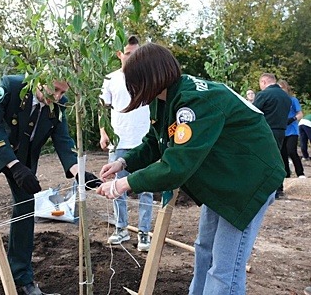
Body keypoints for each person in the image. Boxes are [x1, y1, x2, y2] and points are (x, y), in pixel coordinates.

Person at [96, 43, 285, 295]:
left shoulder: (195, 102)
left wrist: (122, 185)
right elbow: (155, 141)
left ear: (150, 78)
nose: (131, 89)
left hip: (247, 183)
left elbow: (176, 166)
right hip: (223, 181)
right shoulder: (163, 99)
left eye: (133, 82)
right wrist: (123, 163)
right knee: (204, 251)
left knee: (224, 268)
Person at [0, 75, 99, 295]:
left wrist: (79, 172)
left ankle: (22, 276)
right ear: (41, 78)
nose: (59, 96)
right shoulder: (11, 87)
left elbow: (63, 139)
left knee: (25, 210)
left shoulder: (58, 103)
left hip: (22, 159)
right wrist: (14, 166)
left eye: (63, 92)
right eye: (56, 89)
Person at [99, 35, 153, 250]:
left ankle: (144, 233)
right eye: (128, 54)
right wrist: (104, 133)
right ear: (119, 54)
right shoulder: (110, 79)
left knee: (146, 189)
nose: (132, 58)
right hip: (119, 140)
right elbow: (103, 109)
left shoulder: (147, 78)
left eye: (136, 53)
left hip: (144, 141)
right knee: (116, 188)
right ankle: (121, 229)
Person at [253, 73, 291, 198]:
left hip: (266, 131)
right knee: (277, 159)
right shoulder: (286, 97)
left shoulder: (264, 94)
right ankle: (278, 188)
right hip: (281, 130)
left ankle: (262, 188)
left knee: (262, 159)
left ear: (264, 82)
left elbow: (253, 112)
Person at [278, 80, 305, 179]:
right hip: (281, 130)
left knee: (291, 151)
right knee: (282, 153)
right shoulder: (277, 101)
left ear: (286, 88)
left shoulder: (292, 100)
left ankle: (300, 173)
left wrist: (293, 119)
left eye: (282, 88)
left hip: (292, 129)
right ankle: (286, 174)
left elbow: (300, 113)